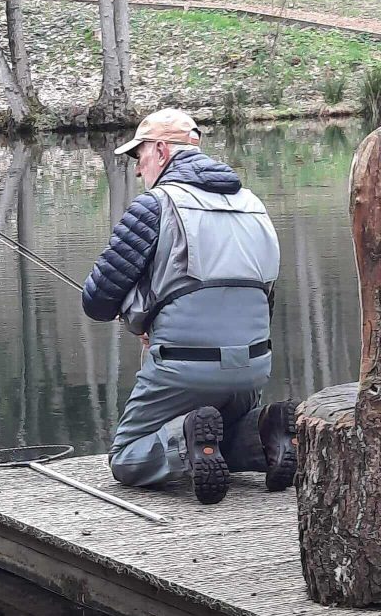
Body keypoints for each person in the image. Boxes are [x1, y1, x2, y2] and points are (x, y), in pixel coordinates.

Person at [81, 108, 298, 505]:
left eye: (140, 155)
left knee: (127, 459)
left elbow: (96, 302)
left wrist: (140, 314)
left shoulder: (155, 206)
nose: (138, 168)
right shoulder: (254, 206)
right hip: (252, 367)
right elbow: (263, 298)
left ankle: (186, 437)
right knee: (216, 433)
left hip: (182, 368)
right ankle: (264, 433)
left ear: (161, 151)